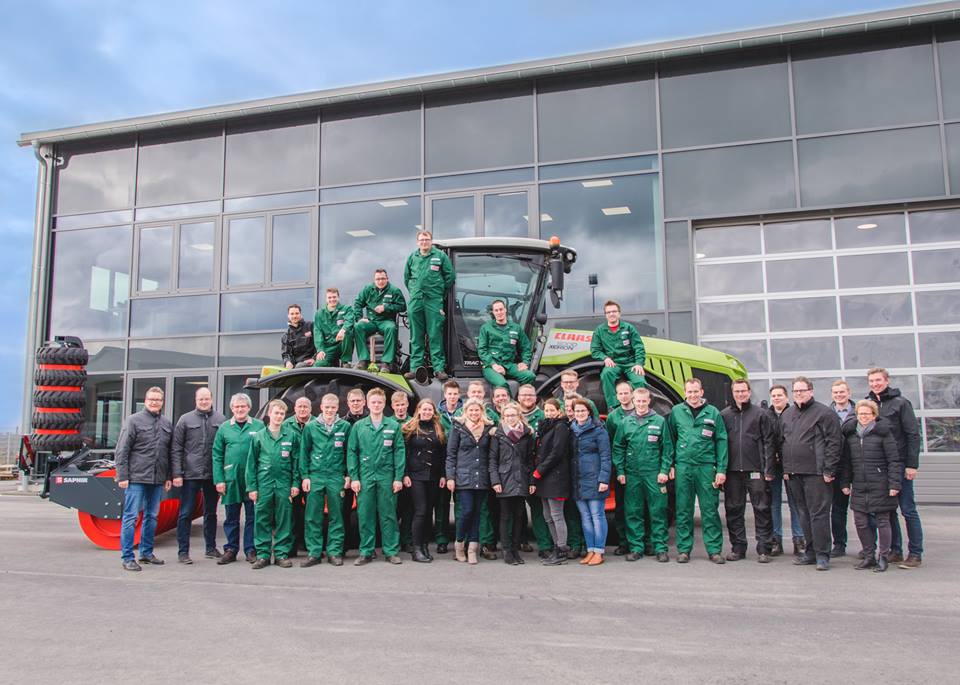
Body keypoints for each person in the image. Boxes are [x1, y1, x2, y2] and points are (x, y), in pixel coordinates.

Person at [779, 377, 843, 571]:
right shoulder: (787, 414)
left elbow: (834, 443)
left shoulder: (825, 413)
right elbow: (782, 442)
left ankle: (823, 554)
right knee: (802, 514)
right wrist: (786, 470)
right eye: (796, 391)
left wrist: (829, 469)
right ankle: (810, 551)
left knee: (819, 514)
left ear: (811, 391)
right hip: (794, 473)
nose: (799, 394)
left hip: (817, 473)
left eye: (802, 390)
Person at [866, 368, 923, 569]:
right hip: (880, 468)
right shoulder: (869, 404)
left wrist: (911, 464)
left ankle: (915, 553)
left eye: (878, 380)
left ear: (887, 381)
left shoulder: (901, 404)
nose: (875, 384)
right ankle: (895, 551)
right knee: (888, 511)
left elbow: (913, 435)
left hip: (899, 465)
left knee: (908, 509)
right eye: (872, 381)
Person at [668, 378, 728, 564]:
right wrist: (670, 465)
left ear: (702, 392)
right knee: (683, 510)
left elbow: (721, 441)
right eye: (689, 392)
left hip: (706, 467)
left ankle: (714, 550)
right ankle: (684, 550)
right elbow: (670, 439)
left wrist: (721, 469)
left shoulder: (713, 413)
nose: (693, 395)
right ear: (685, 392)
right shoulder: (677, 412)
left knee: (709, 510)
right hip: (683, 466)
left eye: (696, 391)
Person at [115, 386, 173, 572]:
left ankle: (146, 553)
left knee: (152, 516)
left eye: (158, 400)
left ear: (162, 402)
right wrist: (122, 475)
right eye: (152, 399)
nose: (155, 402)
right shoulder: (133, 421)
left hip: (157, 479)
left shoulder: (166, 423)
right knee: (131, 517)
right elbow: (122, 449)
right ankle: (127, 557)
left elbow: (168, 453)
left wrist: (168, 476)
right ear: (145, 400)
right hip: (136, 478)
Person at [840, 400, 902, 572]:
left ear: (874, 415)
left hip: (881, 484)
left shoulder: (884, 434)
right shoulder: (851, 436)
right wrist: (845, 483)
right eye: (861, 414)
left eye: (867, 414)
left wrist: (894, 484)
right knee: (860, 522)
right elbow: (846, 462)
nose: (864, 417)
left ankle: (883, 557)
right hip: (859, 485)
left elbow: (893, 461)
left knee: (883, 521)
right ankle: (869, 556)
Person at [612, 386, 672, 563]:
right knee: (633, 511)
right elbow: (618, 447)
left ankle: (659, 547)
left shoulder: (659, 421)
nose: (640, 404)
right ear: (633, 401)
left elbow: (667, 448)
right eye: (637, 401)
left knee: (658, 511)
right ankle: (636, 547)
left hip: (654, 474)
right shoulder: (625, 423)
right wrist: (620, 471)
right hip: (632, 474)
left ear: (649, 401)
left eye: (643, 401)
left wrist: (664, 470)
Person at [347, 388, 406, 566]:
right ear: (368, 403)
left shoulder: (393, 426)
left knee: (388, 515)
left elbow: (399, 452)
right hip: (365, 477)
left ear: (384, 404)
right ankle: (366, 551)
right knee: (365, 515)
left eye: (379, 402)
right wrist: (354, 477)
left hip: (386, 476)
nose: (376, 405)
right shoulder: (358, 426)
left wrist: (398, 477)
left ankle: (391, 551)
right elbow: (352, 452)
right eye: (373, 402)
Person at [720, 379, 775, 563]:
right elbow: (720, 444)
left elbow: (769, 443)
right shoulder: (725, 415)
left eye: (743, 391)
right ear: (732, 393)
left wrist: (767, 469)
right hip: (733, 472)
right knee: (734, 510)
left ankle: (764, 549)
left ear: (749, 392)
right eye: (737, 391)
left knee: (762, 509)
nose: (740, 394)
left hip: (756, 470)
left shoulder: (761, 414)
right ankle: (738, 548)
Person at [171, 386, 225, 564]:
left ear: (211, 399)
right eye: (200, 399)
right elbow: (176, 448)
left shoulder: (221, 419)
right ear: (196, 400)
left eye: (206, 398)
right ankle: (183, 552)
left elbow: (224, 449)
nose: (204, 401)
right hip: (190, 474)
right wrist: (177, 473)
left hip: (212, 474)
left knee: (211, 513)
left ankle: (210, 548)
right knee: (185, 513)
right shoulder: (185, 420)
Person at [246, 400, 301, 569]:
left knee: (284, 519)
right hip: (264, 485)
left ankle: (281, 554)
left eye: (282, 414)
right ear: (269, 414)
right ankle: (262, 555)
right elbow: (251, 464)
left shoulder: (291, 435)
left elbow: (296, 462)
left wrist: (295, 484)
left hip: (284, 484)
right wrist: (252, 488)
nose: (278, 416)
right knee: (262, 520)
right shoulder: (259, 436)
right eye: (276, 413)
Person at [299, 393, 352, 567]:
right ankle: (314, 552)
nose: (329, 410)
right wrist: (305, 476)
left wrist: (348, 475)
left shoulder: (344, 427)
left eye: (333, 407)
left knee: (337, 516)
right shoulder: (311, 427)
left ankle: (334, 552)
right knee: (313, 515)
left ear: (338, 408)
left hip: (336, 476)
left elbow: (349, 453)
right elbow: (304, 453)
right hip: (315, 475)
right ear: (321, 407)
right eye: (326, 407)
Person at [213, 393, 264, 565]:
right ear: (232, 408)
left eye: (243, 406)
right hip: (231, 480)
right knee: (231, 517)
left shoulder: (258, 426)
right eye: (236, 407)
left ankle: (251, 549)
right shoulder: (224, 428)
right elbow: (217, 455)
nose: (240, 409)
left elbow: (263, 453)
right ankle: (231, 549)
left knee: (252, 517)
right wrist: (219, 480)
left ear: (249, 408)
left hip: (252, 481)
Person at [446, 398, 494, 564]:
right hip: (463, 476)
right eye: (471, 410)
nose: (474, 413)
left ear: (481, 411)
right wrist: (450, 477)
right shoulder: (458, 427)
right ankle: (459, 544)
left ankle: (473, 548)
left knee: (477, 513)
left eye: (477, 410)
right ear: (465, 411)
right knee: (466, 511)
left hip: (481, 477)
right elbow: (451, 455)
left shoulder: (489, 428)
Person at [403, 229, 455, 381]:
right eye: (421, 240)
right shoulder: (412, 257)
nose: (424, 242)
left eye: (426, 239)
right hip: (416, 300)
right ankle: (415, 368)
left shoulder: (440, 256)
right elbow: (407, 278)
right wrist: (414, 291)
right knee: (416, 336)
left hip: (433, 300)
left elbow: (450, 276)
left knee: (434, 335)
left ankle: (439, 369)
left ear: (431, 241)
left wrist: (439, 293)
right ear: (417, 242)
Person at [489, 401, 536, 565]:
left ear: (519, 416)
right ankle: (507, 551)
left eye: (513, 415)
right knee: (505, 516)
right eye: (507, 415)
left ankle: (516, 550)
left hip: (521, 478)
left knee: (519, 516)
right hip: (504, 479)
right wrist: (495, 480)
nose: (510, 418)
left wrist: (531, 481)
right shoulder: (498, 434)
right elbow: (493, 460)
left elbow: (530, 460)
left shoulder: (526, 434)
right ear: (503, 417)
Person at [401, 398, 446, 563]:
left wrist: (442, 475)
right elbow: (403, 453)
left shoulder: (438, 428)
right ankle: (416, 548)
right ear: (418, 410)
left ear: (434, 412)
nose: (427, 412)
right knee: (420, 511)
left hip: (433, 476)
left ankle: (425, 546)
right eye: (424, 409)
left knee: (429, 512)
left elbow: (442, 453)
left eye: (430, 410)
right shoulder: (409, 428)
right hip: (415, 476)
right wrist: (404, 474)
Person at [570, 398, 612, 566]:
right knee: (585, 517)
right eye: (577, 411)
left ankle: (599, 552)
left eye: (583, 411)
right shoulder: (571, 429)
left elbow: (606, 456)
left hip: (594, 479)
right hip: (578, 480)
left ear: (589, 412)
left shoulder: (598, 430)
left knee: (597, 515)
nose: (580, 414)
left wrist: (603, 478)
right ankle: (590, 550)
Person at [533, 399, 573, 566]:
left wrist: (539, 471)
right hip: (544, 478)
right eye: (546, 410)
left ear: (559, 411)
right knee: (547, 516)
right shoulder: (545, 426)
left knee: (557, 515)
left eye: (552, 410)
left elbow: (557, 452)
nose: (549, 413)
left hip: (555, 476)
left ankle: (562, 549)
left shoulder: (561, 427)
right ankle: (557, 546)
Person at [767, 384, 805, 558]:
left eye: (779, 395)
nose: (776, 398)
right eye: (773, 395)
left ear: (786, 397)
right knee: (774, 504)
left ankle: (799, 540)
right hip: (772, 467)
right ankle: (776, 540)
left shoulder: (794, 414)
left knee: (795, 503)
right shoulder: (766, 415)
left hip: (792, 466)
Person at [517, 384, 553, 557]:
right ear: (518, 397)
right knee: (513, 510)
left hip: (536, 469)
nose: (527, 398)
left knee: (539, 510)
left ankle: (545, 546)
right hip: (515, 470)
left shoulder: (543, 416)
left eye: (530, 395)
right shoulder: (511, 415)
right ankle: (514, 544)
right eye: (523, 395)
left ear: (536, 397)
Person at [590, 300, 646, 411]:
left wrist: (639, 363)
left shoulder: (629, 328)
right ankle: (613, 406)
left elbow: (639, 347)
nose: (612, 314)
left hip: (630, 363)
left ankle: (638, 406)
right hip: (614, 363)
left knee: (639, 380)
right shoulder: (600, 331)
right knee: (606, 375)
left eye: (614, 311)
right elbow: (595, 350)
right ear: (605, 315)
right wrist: (605, 358)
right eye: (609, 312)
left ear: (619, 313)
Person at [353, 268, 407, 373]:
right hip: (371, 321)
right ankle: (363, 360)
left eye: (383, 278)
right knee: (358, 327)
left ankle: (386, 363)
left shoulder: (394, 290)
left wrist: (386, 308)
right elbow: (358, 304)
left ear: (387, 279)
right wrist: (359, 318)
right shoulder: (367, 289)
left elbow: (402, 306)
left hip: (386, 321)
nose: (380, 281)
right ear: (374, 280)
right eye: (378, 279)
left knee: (391, 328)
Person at [477, 299, 536, 389]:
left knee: (529, 376)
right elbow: (482, 350)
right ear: (493, 312)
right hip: (491, 366)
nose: (499, 312)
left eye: (501, 309)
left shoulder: (516, 328)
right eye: (496, 310)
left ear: (505, 310)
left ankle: (520, 400)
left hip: (509, 365)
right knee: (502, 384)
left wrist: (525, 362)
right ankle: (510, 402)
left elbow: (525, 347)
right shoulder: (486, 328)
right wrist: (494, 365)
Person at [604, 380, 634, 556]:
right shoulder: (613, 417)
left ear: (632, 393)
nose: (623, 396)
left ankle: (643, 541)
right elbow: (610, 443)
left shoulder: (640, 412)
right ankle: (623, 542)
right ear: (616, 396)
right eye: (620, 393)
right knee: (622, 506)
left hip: (640, 466)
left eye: (626, 393)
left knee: (639, 506)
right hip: (621, 466)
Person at [281, 396, 313, 557]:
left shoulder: (316, 425)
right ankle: (291, 546)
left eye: (305, 407)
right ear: (295, 408)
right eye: (299, 406)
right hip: (292, 474)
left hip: (311, 475)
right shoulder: (285, 425)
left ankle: (310, 546)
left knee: (311, 513)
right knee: (291, 513)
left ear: (310, 409)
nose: (302, 409)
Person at [434, 380, 462, 554]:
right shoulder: (437, 414)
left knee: (461, 505)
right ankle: (441, 539)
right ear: (444, 395)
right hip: (442, 465)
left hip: (461, 464)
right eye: (449, 394)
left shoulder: (465, 412)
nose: (452, 397)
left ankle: (461, 538)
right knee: (442, 505)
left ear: (459, 395)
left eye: (455, 394)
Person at [830, 380, 855, 558]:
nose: (839, 395)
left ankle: (870, 546)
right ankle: (839, 544)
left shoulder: (860, 411)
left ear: (849, 393)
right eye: (836, 392)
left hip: (859, 466)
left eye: (842, 392)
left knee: (866, 510)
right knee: (838, 509)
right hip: (837, 467)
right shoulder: (826, 414)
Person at [391, 391, 415, 553]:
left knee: (409, 508)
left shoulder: (414, 423)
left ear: (407, 405)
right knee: (392, 509)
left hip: (411, 472)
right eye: (397, 405)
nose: (400, 408)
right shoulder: (388, 423)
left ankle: (406, 540)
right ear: (392, 406)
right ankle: (392, 540)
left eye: (403, 405)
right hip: (392, 472)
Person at [313, 287, 355, 367]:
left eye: (334, 297)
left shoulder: (346, 309)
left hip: (342, 345)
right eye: (329, 297)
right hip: (329, 347)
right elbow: (317, 332)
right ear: (326, 299)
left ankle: (345, 362)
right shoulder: (319, 313)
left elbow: (350, 321)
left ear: (338, 297)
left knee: (347, 333)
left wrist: (343, 330)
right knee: (319, 365)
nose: (332, 299)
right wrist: (320, 350)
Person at [281, 303, 316, 369]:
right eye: (292, 314)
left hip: (312, 363)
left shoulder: (310, 326)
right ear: (288, 316)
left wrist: (314, 359)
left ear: (300, 314)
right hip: (296, 367)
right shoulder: (286, 335)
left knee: (300, 366)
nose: (294, 316)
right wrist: (287, 362)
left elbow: (319, 343)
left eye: (297, 313)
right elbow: (286, 354)